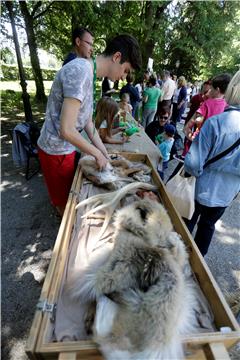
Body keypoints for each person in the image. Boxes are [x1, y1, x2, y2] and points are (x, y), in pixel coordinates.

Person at [37, 34, 142, 216]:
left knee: (70, 196)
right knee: (65, 206)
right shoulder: (81, 71)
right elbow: (67, 129)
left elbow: (87, 123)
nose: (124, 77)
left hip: (65, 149)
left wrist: (104, 153)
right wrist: (96, 154)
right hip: (55, 150)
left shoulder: (90, 73)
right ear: (117, 57)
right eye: (125, 70)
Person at [184, 70, 240, 256]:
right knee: (208, 226)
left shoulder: (216, 123)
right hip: (226, 193)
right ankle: (199, 269)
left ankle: (178, 260)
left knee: (188, 223)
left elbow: (193, 164)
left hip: (202, 187)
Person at [184, 73, 231, 143]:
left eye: (211, 88)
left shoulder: (206, 105)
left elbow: (187, 127)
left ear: (217, 90)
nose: (209, 90)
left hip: (200, 146)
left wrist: (194, 139)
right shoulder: (228, 107)